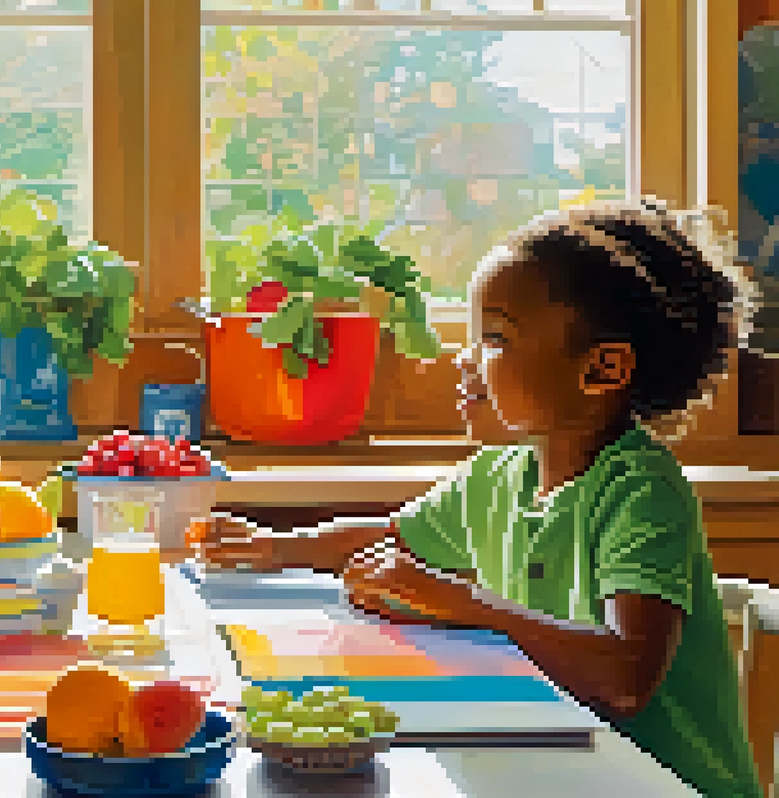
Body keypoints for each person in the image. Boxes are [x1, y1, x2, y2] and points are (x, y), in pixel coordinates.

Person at [194, 200, 764, 798]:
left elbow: (623, 678)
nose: (465, 362)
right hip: (560, 765)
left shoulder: (641, 491)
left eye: (496, 338)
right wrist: (273, 547)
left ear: (602, 369)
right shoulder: (499, 474)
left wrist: (461, 601)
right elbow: (390, 539)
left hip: (660, 785)